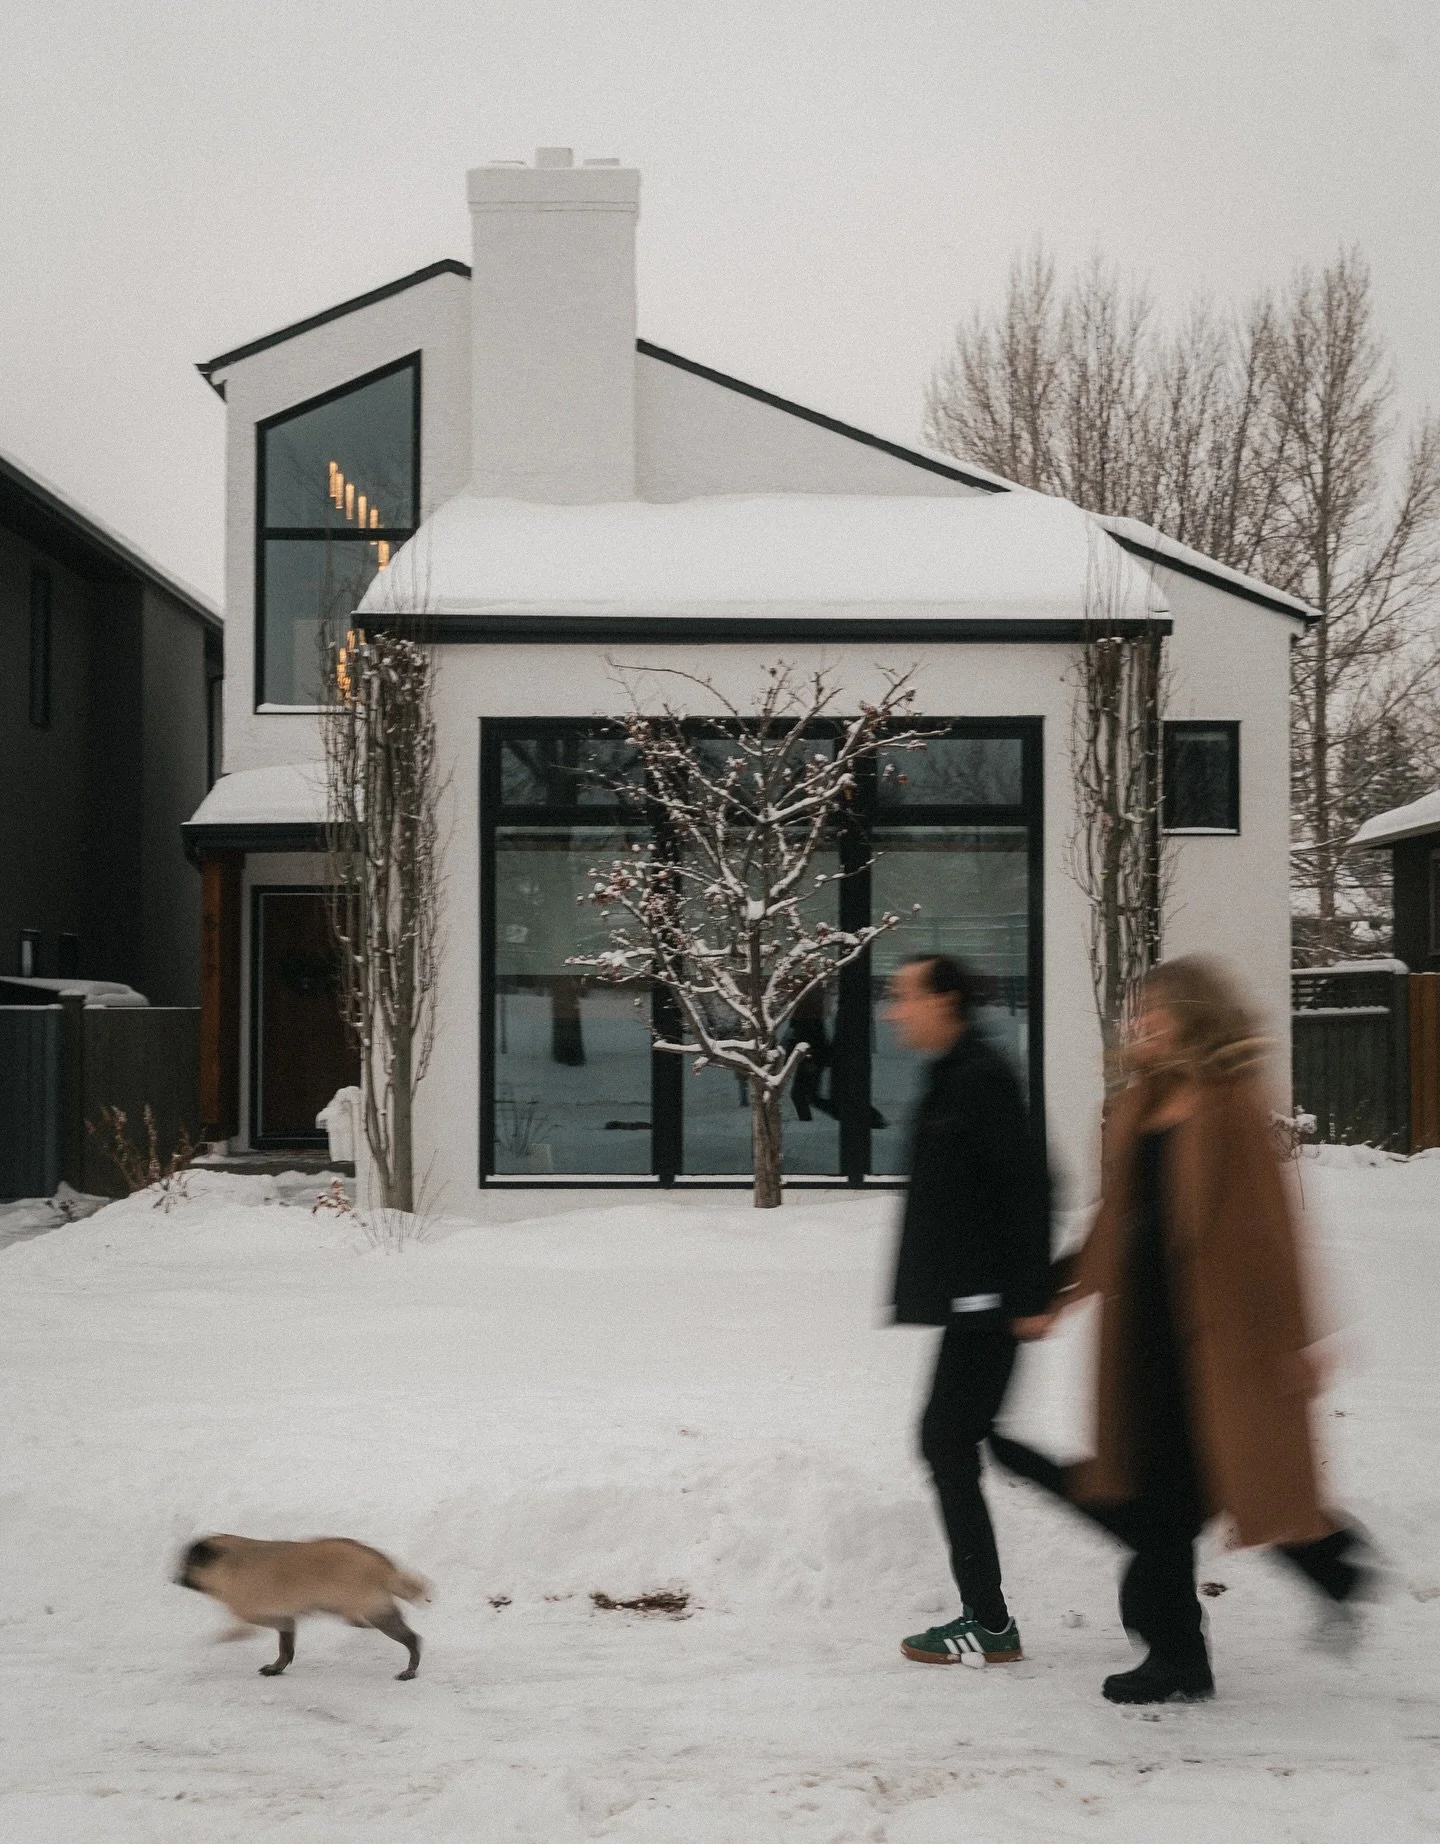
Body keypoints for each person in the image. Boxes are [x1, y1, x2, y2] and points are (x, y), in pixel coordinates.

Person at [991, 953, 1373, 1704]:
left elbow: (1272, 1232)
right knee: (1179, 1489)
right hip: (1145, 1331)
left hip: (1220, 1332)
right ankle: (1327, 1561)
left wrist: (1297, 1336)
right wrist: (1059, 1292)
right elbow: (1117, 1221)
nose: (1140, 1023)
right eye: (1138, 1011)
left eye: (1155, 1010)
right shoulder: (1138, 1104)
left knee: (1177, 1496)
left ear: (1193, 1015)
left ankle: (1182, 1655)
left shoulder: (1231, 1106)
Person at [883, 954, 1053, 1666]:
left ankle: (989, 1622)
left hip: (989, 1305)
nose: (896, 1011)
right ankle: (990, 1615)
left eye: (905, 997)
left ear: (944, 999)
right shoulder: (954, 1073)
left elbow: (1030, 1186)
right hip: (972, 1302)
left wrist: (1029, 1295)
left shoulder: (980, 1077)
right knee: (957, 1441)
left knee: (948, 1442)